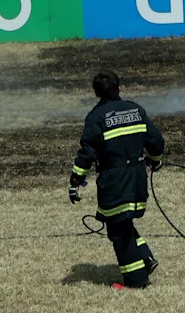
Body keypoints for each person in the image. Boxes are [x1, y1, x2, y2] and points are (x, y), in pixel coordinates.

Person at [69, 70, 165, 289]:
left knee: (118, 231)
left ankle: (136, 280)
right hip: (137, 178)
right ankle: (146, 258)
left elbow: (87, 153)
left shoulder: (96, 117)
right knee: (122, 221)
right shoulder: (135, 109)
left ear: (96, 93)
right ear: (118, 87)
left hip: (114, 181)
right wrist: (155, 160)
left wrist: (76, 179)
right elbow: (155, 140)